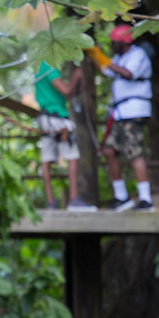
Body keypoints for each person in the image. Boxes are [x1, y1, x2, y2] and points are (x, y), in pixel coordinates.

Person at [85, 23, 154, 212]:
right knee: (108, 150)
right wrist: (94, 56)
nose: (111, 45)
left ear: (124, 43)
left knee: (134, 152)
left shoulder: (138, 55)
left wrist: (104, 60)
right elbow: (107, 70)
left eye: (114, 42)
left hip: (134, 111)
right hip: (119, 113)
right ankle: (121, 197)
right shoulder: (119, 56)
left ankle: (145, 199)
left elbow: (127, 73)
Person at [34, 61, 96, 212]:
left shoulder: (39, 67)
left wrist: (77, 87)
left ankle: (50, 203)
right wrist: (76, 76)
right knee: (72, 156)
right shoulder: (48, 66)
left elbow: (63, 93)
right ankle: (73, 199)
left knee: (46, 159)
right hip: (56, 119)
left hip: (46, 119)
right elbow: (66, 90)